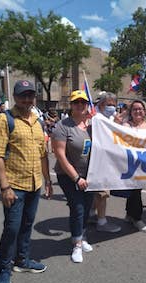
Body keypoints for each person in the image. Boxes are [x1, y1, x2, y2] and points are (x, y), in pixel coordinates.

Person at [0, 80, 53, 283]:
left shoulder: (37, 121)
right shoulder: (3, 120)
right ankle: (4, 269)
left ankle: (22, 260)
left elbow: (43, 154)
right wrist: (4, 187)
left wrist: (48, 181)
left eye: (30, 95)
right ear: (15, 97)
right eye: (22, 95)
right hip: (14, 185)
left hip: (35, 183)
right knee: (12, 228)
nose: (27, 99)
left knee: (27, 224)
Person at [52, 90, 95, 263]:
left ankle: (82, 235)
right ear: (71, 105)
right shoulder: (63, 126)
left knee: (86, 207)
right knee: (77, 208)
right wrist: (77, 178)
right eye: (76, 102)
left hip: (90, 175)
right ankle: (76, 243)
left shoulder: (92, 125)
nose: (80, 105)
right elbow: (60, 155)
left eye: (83, 102)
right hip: (68, 175)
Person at [89, 92, 121, 233]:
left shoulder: (112, 119)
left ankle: (90, 214)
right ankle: (101, 222)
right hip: (99, 160)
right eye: (108, 104)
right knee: (102, 193)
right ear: (100, 104)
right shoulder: (96, 119)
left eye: (114, 105)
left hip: (109, 160)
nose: (111, 107)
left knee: (97, 191)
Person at [122, 100, 146, 232]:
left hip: (144, 164)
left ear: (144, 111)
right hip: (130, 163)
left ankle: (129, 214)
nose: (138, 111)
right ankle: (137, 218)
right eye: (135, 109)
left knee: (135, 189)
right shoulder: (126, 125)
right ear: (131, 112)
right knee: (135, 190)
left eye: (140, 109)